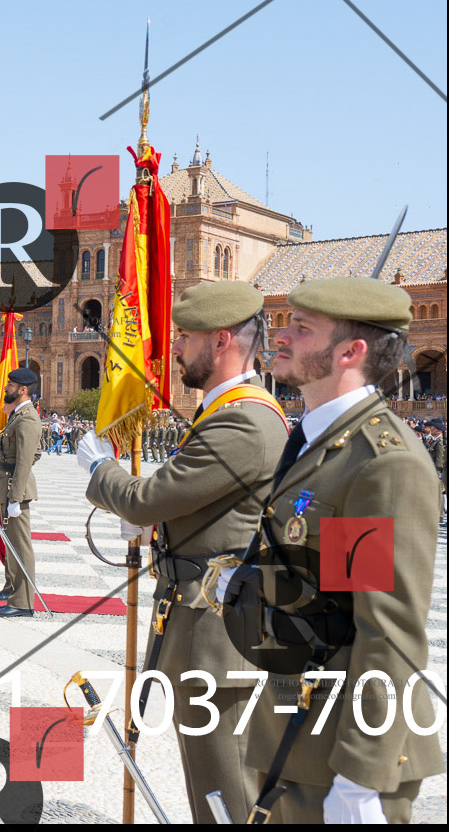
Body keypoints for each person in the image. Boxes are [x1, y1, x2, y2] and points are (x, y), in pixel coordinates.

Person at [228, 277, 442, 823]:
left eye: (301, 328)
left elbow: (384, 630)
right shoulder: (319, 443)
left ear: (350, 352)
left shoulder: (378, 463)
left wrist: (362, 776)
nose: (280, 336)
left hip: (337, 756)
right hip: (294, 731)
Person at [77, 281, 288, 822]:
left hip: (220, 641)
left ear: (221, 341)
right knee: (212, 789)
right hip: (204, 629)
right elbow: (203, 509)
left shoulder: (243, 420)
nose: (174, 349)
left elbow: (148, 497)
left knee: (226, 794)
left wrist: (100, 468)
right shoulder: (229, 412)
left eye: (185, 338)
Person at [0, 367, 42, 617]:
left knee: (20, 546)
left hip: (15, 490)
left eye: (10, 385)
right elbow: (32, 453)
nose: (6, 388)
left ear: (23, 390)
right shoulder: (18, 415)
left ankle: (23, 602)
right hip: (7, 485)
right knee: (11, 543)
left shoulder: (28, 418)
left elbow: (26, 460)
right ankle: (12, 588)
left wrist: (16, 496)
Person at [422, 417, 445, 523]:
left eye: (434, 428)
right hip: (431, 469)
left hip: (437, 471)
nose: (432, 429)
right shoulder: (433, 440)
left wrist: (438, 472)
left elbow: (439, 459)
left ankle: (440, 515)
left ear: (439, 430)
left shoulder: (439, 442)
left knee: (439, 493)